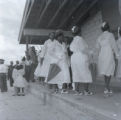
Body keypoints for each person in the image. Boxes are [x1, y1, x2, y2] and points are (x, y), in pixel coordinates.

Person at [96, 22, 118, 94]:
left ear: (102, 29)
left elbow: (97, 48)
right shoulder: (110, 35)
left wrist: (98, 56)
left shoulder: (99, 37)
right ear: (108, 28)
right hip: (108, 54)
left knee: (105, 71)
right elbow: (114, 45)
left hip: (102, 54)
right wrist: (117, 54)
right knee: (109, 70)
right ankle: (107, 87)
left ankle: (106, 87)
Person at [70, 26, 93, 95]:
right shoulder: (80, 39)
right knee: (86, 73)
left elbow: (71, 49)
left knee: (76, 73)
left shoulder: (73, 40)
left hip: (74, 58)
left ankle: (77, 91)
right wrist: (91, 53)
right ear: (80, 32)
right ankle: (86, 91)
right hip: (81, 57)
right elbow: (84, 49)